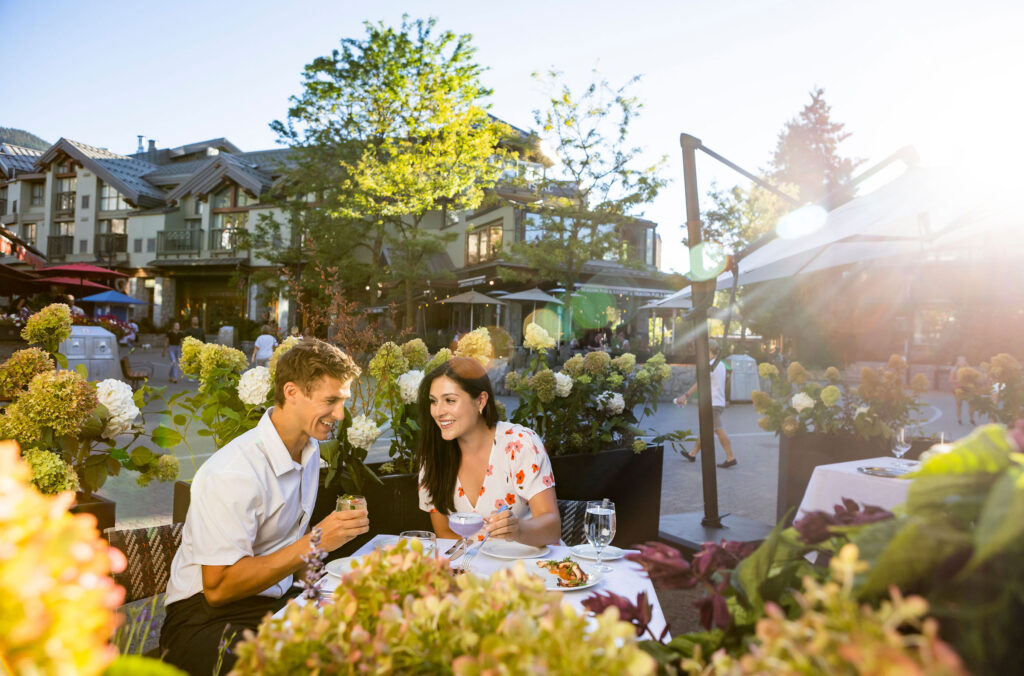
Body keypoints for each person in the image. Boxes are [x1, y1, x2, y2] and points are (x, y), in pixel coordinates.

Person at [160, 338, 367, 675]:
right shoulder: (234, 471)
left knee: (362, 642)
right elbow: (218, 589)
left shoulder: (309, 450)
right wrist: (315, 542)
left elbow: (284, 553)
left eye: (342, 401)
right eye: (330, 401)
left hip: (271, 604)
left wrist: (334, 581)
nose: (340, 415)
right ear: (291, 392)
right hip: (204, 620)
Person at [417, 357, 561, 546]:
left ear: (480, 401)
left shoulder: (520, 444)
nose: (438, 411)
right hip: (473, 567)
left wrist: (516, 531)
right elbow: (443, 532)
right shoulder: (433, 455)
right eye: (433, 401)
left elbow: (552, 529)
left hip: (532, 564)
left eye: (450, 400)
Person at [675, 339, 738, 468]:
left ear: (708, 350)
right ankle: (692, 454)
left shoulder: (710, 365)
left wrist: (684, 396)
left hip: (713, 404)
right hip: (717, 402)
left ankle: (731, 457)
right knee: (705, 431)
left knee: (719, 430)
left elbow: (699, 383)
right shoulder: (720, 364)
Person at [949, 355, 975, 425]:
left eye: (963, 361)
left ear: (965, 361)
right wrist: (959, 380)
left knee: (971, 404)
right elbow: (950, 380)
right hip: (958, 389)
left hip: (968, 389)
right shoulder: (954, 370)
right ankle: (959, 419)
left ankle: (972, 419)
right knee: (959, 404)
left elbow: (973, 378)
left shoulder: (969, 369)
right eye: (960, 361)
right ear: (957, 362)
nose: (962, 362)